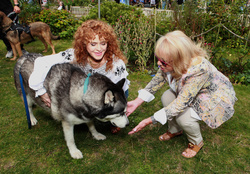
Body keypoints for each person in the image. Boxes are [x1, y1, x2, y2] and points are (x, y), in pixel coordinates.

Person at [126, 30, 237, 158]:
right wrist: (137, 101)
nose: (158, 64)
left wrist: (150, 120)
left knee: (184, 118)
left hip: (211, 97)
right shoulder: (169, 63)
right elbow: (157, 81)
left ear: (179, 60)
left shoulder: (199, 69)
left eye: (163, 62)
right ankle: (175, 130)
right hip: (190, 92)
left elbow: (180, 104)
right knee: (166, 97)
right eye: (158, 59)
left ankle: (196, 142)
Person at [28, 19, 130, 133]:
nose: (99, 49)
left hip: (109, 95)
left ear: (108, 43)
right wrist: (40, 91)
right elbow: (42, 62)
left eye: (103, 43)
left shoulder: (116, 64)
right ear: (84, 43)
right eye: (93, 44)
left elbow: (120, 91)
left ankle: (114, 118)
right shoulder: (73, 55)